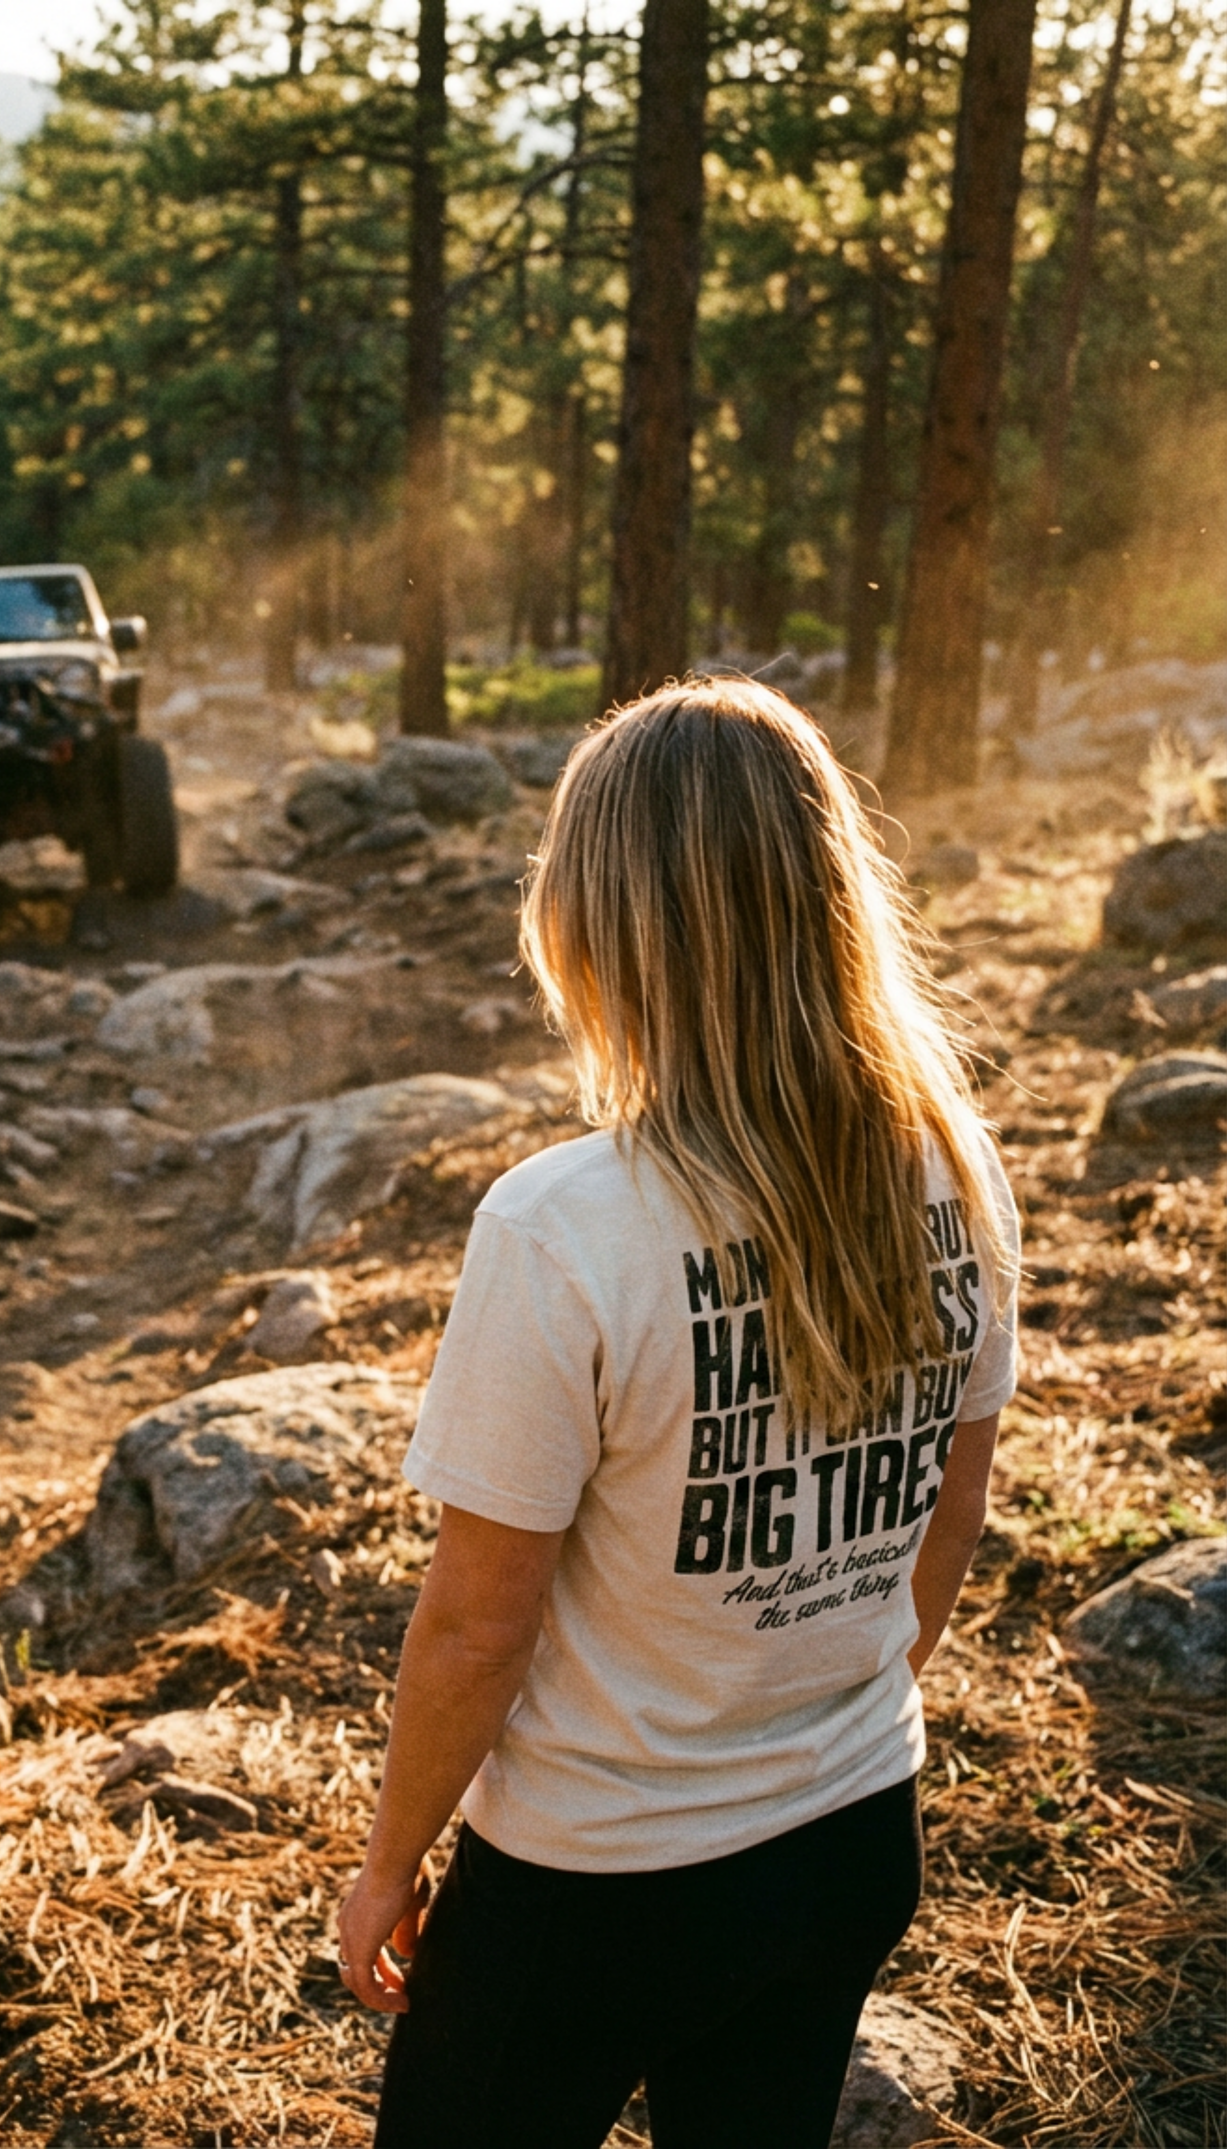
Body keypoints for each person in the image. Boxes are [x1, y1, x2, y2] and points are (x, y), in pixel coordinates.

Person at [336, 677, 1020, 2149]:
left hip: (591, 1887)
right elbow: (950, 1514)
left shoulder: (565, 1226)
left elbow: (475, 1625)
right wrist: (815, 1703)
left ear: (601, 924)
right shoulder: (951, 1166)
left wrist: (390, 1863)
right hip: (849, 1836)